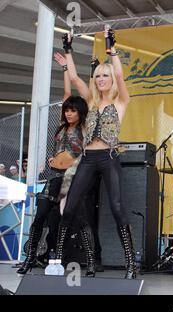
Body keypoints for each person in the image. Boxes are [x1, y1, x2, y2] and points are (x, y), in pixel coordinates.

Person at [55, 28, 135, 279]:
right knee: (69, 209)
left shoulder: (120, 100)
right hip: (88, 158)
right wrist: (68, 49)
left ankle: (131, 264)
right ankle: (63, 261)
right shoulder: (89, 101)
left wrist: (112, 51)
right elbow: (76, 76)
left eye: (104, 76)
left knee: (118, 208)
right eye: (98, 76)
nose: (101, 79)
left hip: (109, 157)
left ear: (110, 79)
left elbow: (120, 75)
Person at [17, 52, 88, 274]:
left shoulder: (83, 127)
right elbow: (66, 93)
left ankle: (79, 260)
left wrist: (70, 67)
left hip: (72, 178)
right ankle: (30, 258)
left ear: (80, 112)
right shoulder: (62, 126)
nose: (68, 112)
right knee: (40, 217)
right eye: (67, 110)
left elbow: (72, 94)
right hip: (53, 175)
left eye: (73, 110)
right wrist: (65, 69)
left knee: (71, 219)